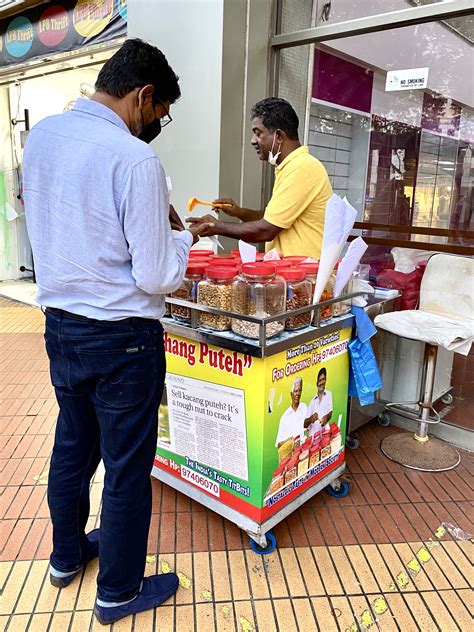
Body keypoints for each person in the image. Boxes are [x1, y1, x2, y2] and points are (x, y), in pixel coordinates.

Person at [22, 39, 212, 626]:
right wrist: (186, 236)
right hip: (124, 341)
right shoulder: (135, 160)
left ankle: (64, 557)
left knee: (73, 449)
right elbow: (156, 274)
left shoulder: (42, 139)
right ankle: (118, 593)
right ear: (143, 96)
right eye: (160, 114)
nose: (158, 126)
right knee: (127, 468)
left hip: (60, 328)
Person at [187, 97, 332, 258]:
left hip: (305, 275)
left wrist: (214, 226)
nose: (253, 141)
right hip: (291, 271)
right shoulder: (292, 166)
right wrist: (239, 212)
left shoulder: (302, 167)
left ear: (278, 136)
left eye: (258, 133)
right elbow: (272, 217)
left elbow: (266, 230)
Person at [275, 377, 307, 449]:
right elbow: (279, 444)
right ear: (291, 394)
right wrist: (290, 441)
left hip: (304, 451)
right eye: (295, 391)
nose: (298, 394)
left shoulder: (304, 407)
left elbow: (308, 429)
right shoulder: (285, 417)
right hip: (291, 455)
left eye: (300, 390)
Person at [304, 367, 333, 438]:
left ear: (326, 380)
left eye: (323, 379)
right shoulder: (312, 402)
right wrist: (311, 419)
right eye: (320, 380)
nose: (322, 382)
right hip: (314, 439)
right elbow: (305, 424)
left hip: (325, 434)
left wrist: (326, 417)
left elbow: (330, 412)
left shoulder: (329, 394)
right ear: (317, 384)